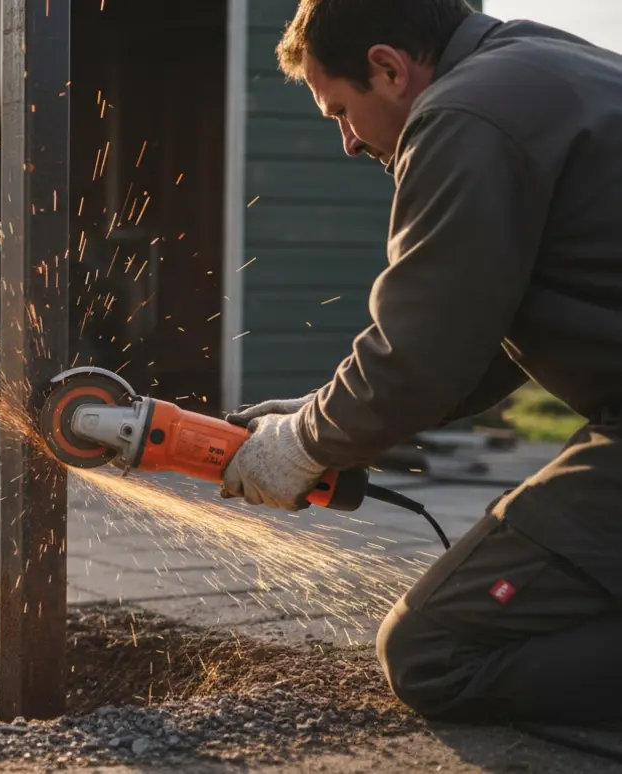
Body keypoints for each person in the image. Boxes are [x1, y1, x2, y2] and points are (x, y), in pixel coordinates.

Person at [218, 0, 622, 725]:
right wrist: (323, 419)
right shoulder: (547, 66)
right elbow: (471, 338)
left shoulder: (463, 113)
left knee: (432, 654)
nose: (347, 141)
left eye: (340, 112)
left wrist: (303, 443)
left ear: (388, 68)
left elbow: (422, 353)